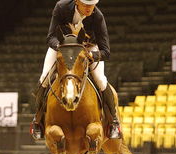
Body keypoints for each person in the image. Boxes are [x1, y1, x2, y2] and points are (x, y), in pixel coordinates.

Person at [30, 0, 121, 140]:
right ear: (77, 1)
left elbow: (106, 52)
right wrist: (61, 48)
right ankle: (37, 121)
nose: (90, 8)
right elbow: (50, 37)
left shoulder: (97, 16)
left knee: (101, 80)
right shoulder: (61, 7)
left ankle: (113, 122)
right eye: (86, 4)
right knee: (44, 77)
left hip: (88, 49)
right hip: (62, 47)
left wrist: (91, 55)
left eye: (92, 4)